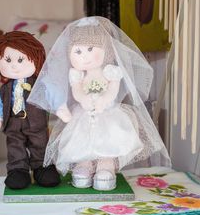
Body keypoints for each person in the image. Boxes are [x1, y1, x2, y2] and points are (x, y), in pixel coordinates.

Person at [28, 16, 171, 191]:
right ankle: (85, 164)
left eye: (90, 49)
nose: (84, 56)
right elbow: (77, 91)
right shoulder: (77, 74)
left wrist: (104, 99)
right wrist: (83, 99)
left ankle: (106, 165)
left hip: (107, 111)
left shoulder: (110, 71)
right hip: (84, 111)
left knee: (108, 139)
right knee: (82, 139)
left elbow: (112, 90)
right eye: (78, 51)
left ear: (108, 50)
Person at [0, 31, 60, 189]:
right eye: (7, 60)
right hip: (13, 123)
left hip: (36, 123)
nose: (14, 65)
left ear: (36, 58)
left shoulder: (40, 85)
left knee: (40, 144)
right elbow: (0, 105)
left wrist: (61, 109)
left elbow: (52, 97)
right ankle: (18, 170)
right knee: (15, 146)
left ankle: (42, 168)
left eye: (20, 59)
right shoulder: (4, 89)